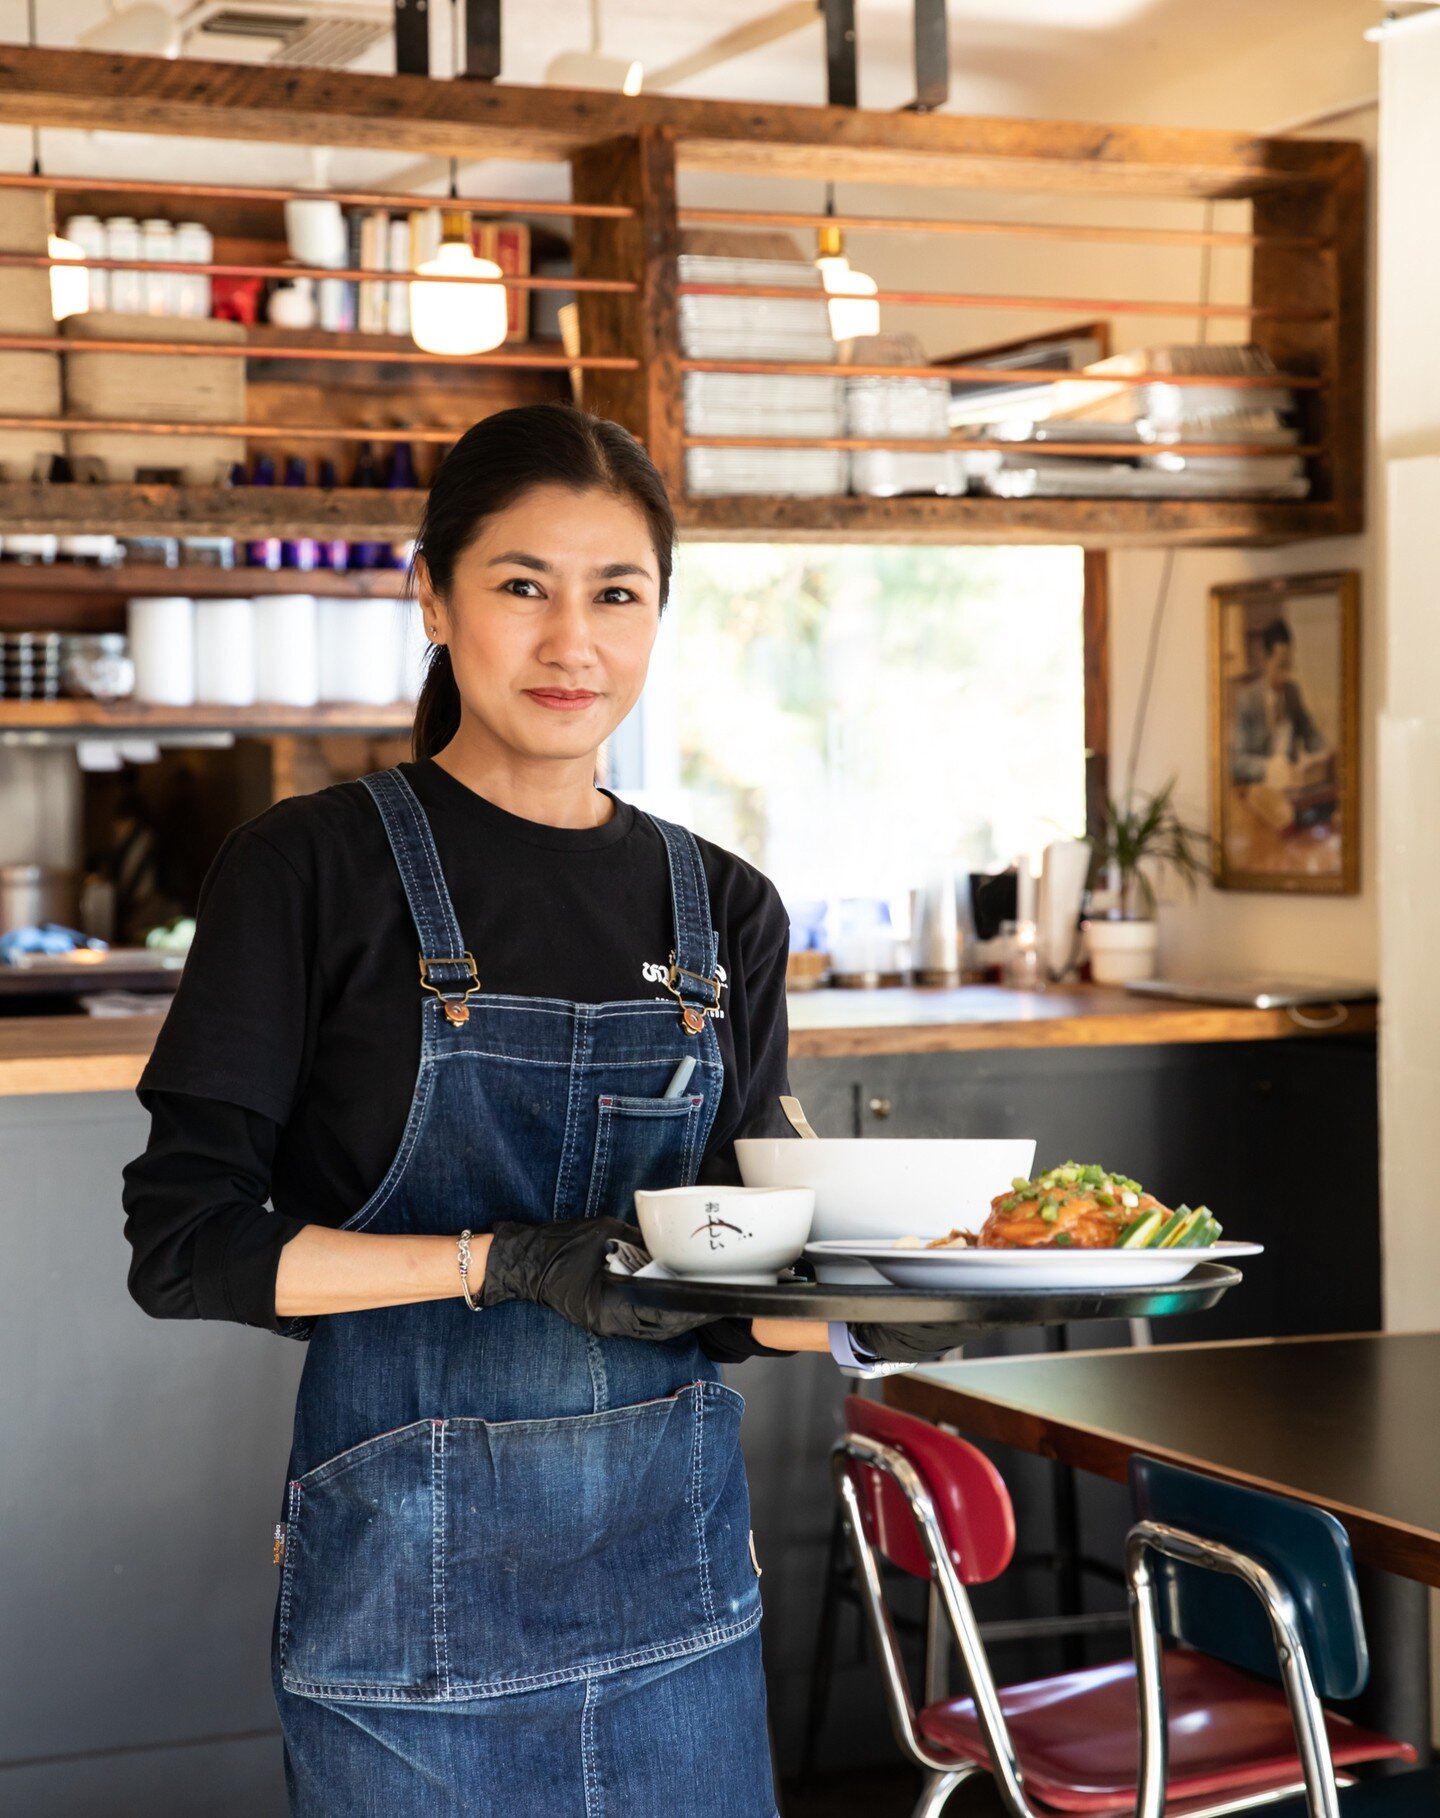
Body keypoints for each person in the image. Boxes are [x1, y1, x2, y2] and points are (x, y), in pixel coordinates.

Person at [121, 405, 967, 1817]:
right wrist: (496, 1262)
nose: (572, 640)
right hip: (409, 1608)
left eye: (616, 593)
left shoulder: (724, 908)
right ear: (436, 597)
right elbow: (186, 1241)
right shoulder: (310, 869)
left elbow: (725, 1278)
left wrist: (896, 1301)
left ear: (657, 617)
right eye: (524, 585)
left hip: (676, 1600)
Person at [1230, 617, 1330, 789]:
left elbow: (1311, 735)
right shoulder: (1248, 700)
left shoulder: (1292, 693)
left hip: (1291, 787)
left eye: (1289, 666)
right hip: (1260, 790)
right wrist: (1268, 767)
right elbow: (1237, 762)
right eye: (1281, 666)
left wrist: (1322, 754)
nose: (1286, 674)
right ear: (1265, 659)